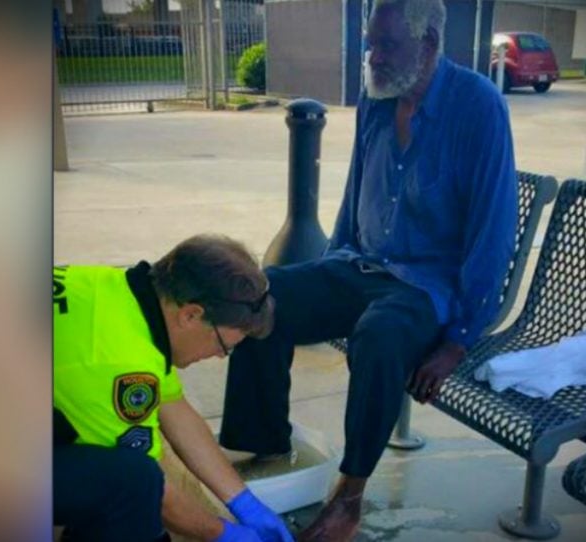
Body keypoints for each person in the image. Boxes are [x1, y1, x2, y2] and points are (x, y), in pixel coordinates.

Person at [218, 0, 519, 539]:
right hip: (363, 265)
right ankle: (265, 446)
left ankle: (348, 497)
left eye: (387, 45)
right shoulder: (376, 99)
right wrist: (332, 264)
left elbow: (492, 230)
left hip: (428, 289)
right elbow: (357, 192)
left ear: (428, 44)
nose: (373, 56)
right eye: (369, 43)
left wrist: (459, 339)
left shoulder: (479, 107)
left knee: (378, 336)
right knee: (262, 297)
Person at [54, 234, 295, 542]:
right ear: (191, 315)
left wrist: (244, 503)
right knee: (133, 484)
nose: (220, 357)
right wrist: (223, 533)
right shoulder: (116, 362)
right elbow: (156, 493)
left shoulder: (121, 297)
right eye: (223, 345)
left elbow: (173, 406)